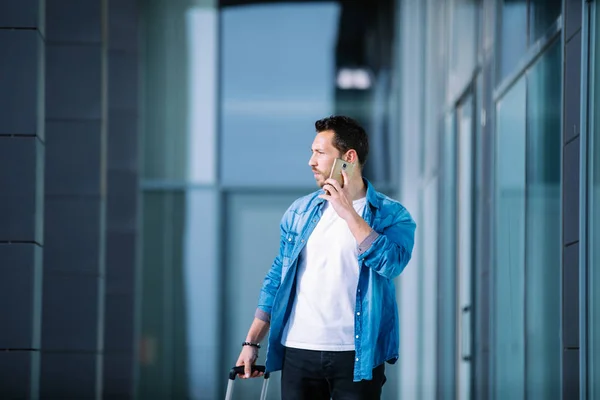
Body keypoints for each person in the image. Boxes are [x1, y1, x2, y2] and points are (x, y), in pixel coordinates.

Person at [235, 115, 416, 400]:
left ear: (349, 157)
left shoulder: (392, 215)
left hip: (357, 354)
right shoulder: (300, 211)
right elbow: (276, 279)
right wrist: (251, 342)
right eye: (312, 152)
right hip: (298, 350)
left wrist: (348, 213)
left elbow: (391, 264)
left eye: (320, 153)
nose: (311, 161)